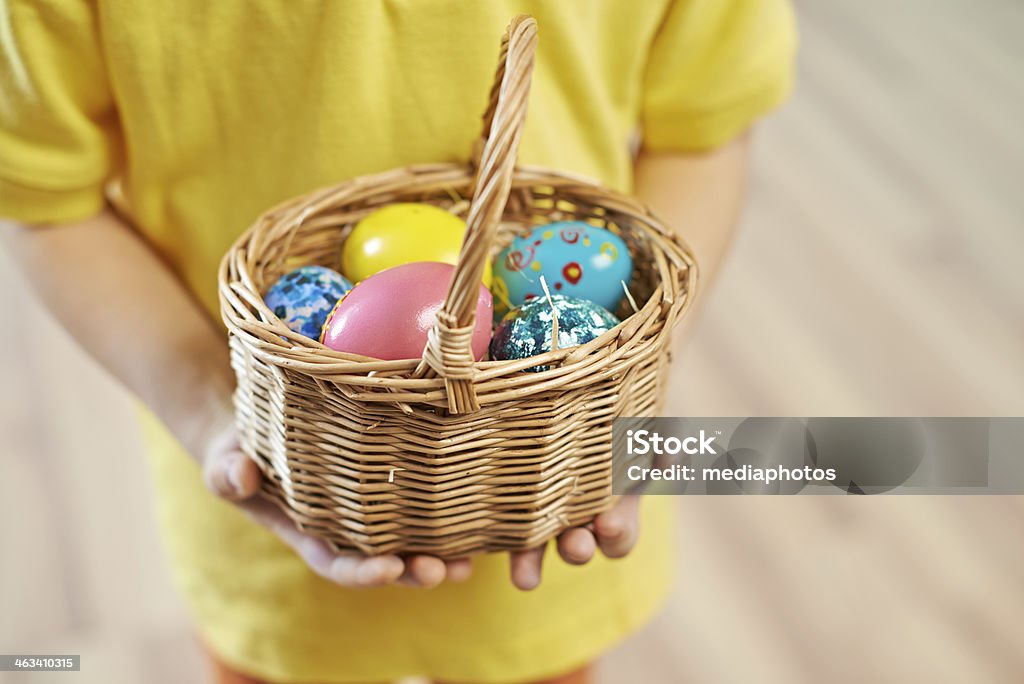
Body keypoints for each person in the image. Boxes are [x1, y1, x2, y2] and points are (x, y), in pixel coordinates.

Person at [0, 1, 795, 682]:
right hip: (283, 486)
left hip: (542, 483)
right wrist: (214, 409)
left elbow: (704, 128)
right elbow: (45, 197)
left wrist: (624, 384)